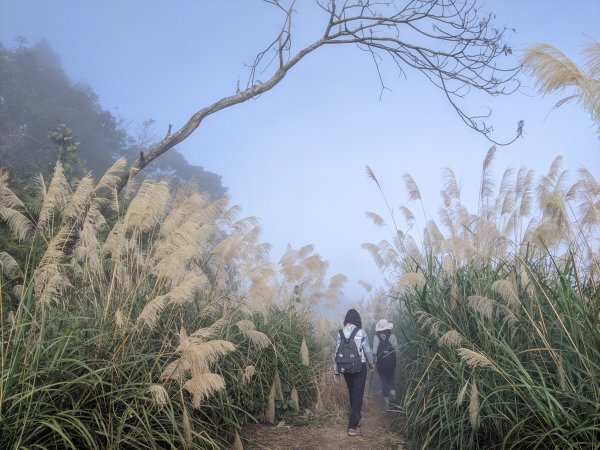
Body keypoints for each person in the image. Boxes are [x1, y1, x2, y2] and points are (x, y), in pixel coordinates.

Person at [334, 309, 374, 437]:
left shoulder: (340, 333)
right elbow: (367, 350)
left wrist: (336, 372)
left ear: (346, 319)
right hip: (359, 367)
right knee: (358, 394)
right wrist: (371, 364)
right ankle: (353, 426)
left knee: (352, 392)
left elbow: (336, 353)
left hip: (345, 368)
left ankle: (355, 418)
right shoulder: (361, 332)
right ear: (357, 319)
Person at [372, 318, 398, 411]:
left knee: (384, 381)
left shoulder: (376, 337)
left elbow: (374, 351)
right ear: (388, 328)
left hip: (381, 363)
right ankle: (393, 394)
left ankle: (387, 406)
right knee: (391, 379)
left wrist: (374, 362)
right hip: (391, 362)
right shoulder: (393, 336)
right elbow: (397, 350)